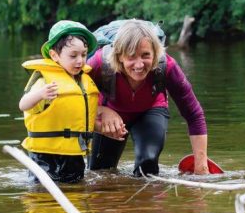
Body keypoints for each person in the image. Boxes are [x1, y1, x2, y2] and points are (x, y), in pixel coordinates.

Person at [86, 19, 209, 176]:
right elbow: (72, 101)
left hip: (151, 111)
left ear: (155, 53)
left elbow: (194, 115)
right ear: (119, 56)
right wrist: (100, 110)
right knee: (101, 173)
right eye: (131, 57)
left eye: (145, 55)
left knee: (148, 164)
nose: (139, 65)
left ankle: (149, 199)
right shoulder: (98, 63)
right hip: (110, 115)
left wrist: (201, 166)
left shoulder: (168, 66)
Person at [19, 20, 100, 184]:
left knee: (76, 190)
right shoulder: (45, 82)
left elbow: (81, 118)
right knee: (43, 195)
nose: (80, 61)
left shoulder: (82, 81)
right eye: (73, 55)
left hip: (74, 153)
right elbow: (23, 105)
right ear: (54, 55)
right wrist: (40, 94)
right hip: (45, 155)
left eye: (84, 55)